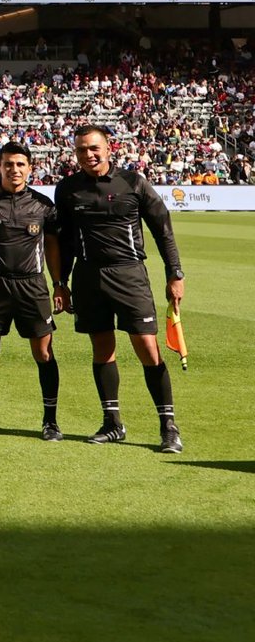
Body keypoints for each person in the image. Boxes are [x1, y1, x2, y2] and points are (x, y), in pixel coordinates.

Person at [55, 125, 185, 453]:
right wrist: (61, 282)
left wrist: (175, 274)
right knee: (102, 350)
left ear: (108, 148)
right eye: (82, 150)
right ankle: (112, 423)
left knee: (148, 349)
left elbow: (163, 229)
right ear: (76, 153)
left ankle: (168, 426)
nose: (89, 155)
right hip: (88, 279)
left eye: (94, 148)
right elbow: (66, 241)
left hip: (130, 276)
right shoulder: (67, 189)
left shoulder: (133, 182)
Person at [0, 142, 68, 442]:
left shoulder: (43, 205)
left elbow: (53, 247)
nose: (14, 169)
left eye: (20, 164)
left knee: (44, 353)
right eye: (8, 164)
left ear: (30, 168)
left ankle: (50, 421)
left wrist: (59, 284)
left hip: (33, 287)